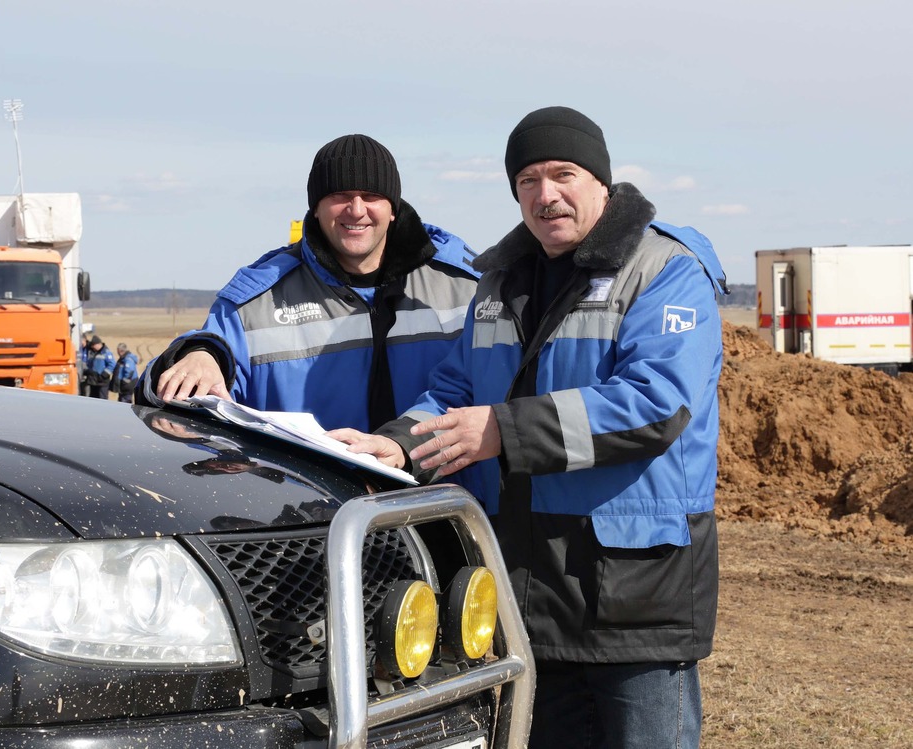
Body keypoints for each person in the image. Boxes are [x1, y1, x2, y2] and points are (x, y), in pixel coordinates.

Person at [329, 106, 726, 748]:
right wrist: (397, 443)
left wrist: (505, 432)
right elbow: (459, 387)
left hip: (632, 592)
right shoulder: (500, 282)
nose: (546, 195)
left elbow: (658, 403)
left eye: (563, 174)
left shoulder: (665, 270)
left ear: (600, 180)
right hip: (525, 589)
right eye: (528, 182)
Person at [136, 133, 482, 442]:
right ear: (315, 208)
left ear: (393, 208)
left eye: (371, 196)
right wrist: (200, 354)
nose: (357, 210)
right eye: (340, 195)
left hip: (448, 503)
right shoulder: (256, 301)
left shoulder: (465, 285)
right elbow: (176, 401)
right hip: (311, 508)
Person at [83, 335, 115, 399]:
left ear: (98, 344)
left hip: (102, 381)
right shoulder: (92, 352)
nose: (93, 347)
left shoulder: (106, 352)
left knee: (102, 398)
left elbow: (112, 364)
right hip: (93, 381)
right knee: (93, 399)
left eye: (93, 345)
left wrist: (104, 374)